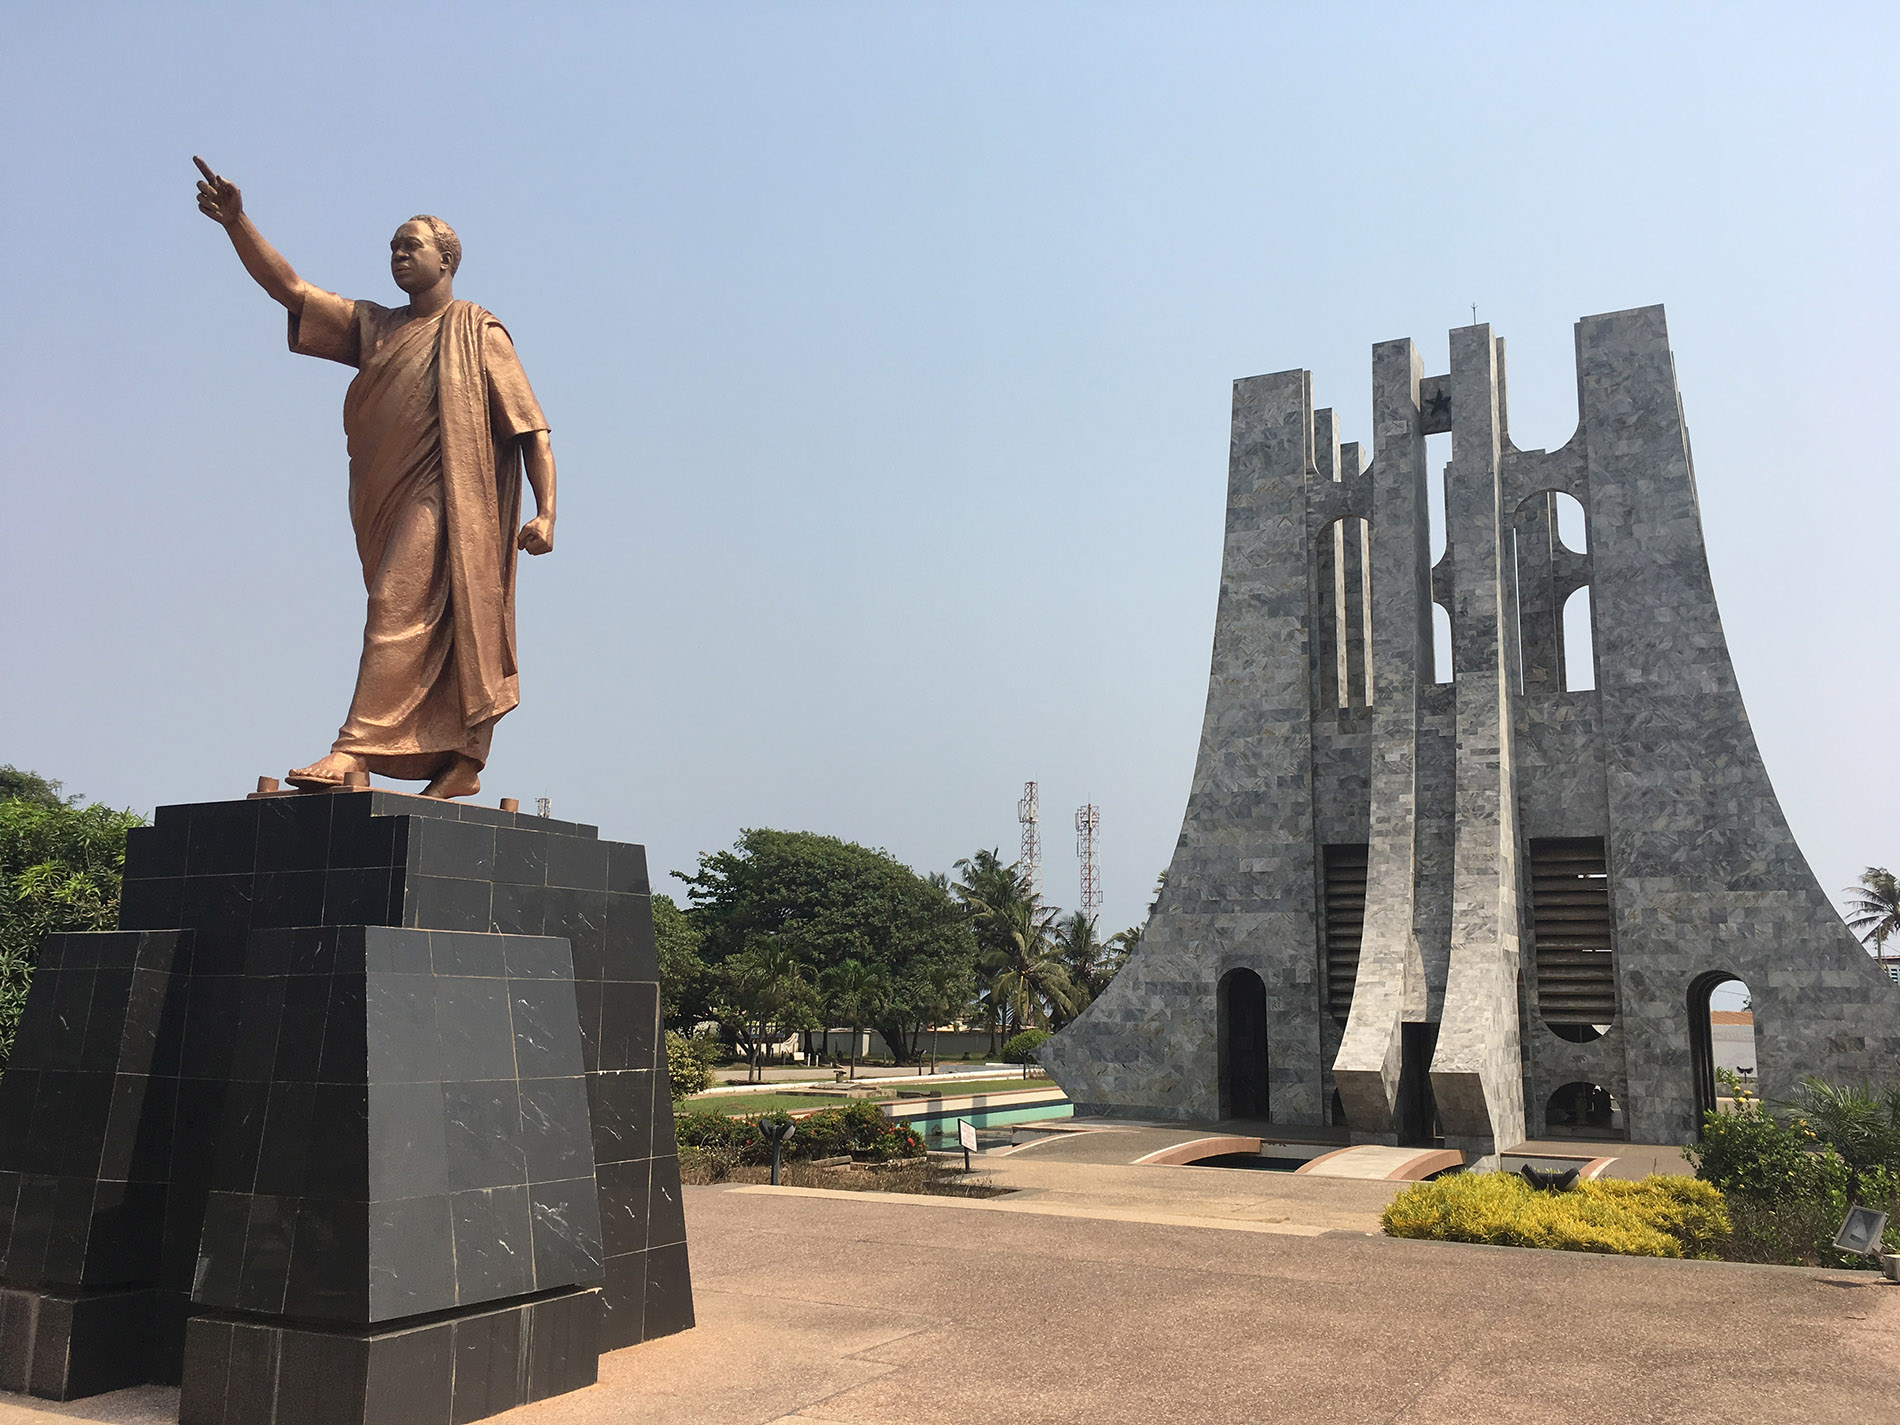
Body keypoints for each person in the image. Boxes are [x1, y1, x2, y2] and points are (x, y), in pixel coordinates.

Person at [193, 157, 556, 799]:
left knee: (396, 601)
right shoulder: (378, 327)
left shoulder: (477, 330)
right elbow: (293, 290)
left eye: (410, 245)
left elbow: (529, 426)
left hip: (450, 498)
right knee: (409, 610)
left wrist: (546, 510)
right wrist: (236, 223)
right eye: (392, 246)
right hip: (381, 498)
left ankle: (352, 748)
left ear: (447, 260)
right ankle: (459, 759)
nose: (397, 255)